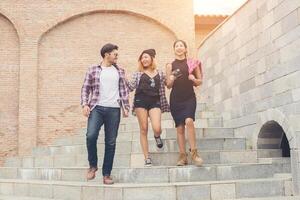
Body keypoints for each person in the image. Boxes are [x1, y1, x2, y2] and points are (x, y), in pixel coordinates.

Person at [80, 43, 130, 184]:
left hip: (114, 109)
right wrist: (85, 104)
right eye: (115, 54)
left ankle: (106, 174)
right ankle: (93, 165)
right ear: (107, 54)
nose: (117, 56)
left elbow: (124, 91)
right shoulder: (93, 70)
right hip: (97, 107)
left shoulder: (120, 71)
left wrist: (125, 106)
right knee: (91, 135)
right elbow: (85, 88)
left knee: (111, 142)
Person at [127, 49, 170, 167]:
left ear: (151, 58)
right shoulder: (138, 73)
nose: (144, 59)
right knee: (144, 129)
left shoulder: (159, 72)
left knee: (157, 127)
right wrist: (122, 78)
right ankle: (147, 158)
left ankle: (157, 136)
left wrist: (172, 73)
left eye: (146, 57)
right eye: (142, 58)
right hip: (140, 102)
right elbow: (130, 87)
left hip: (155, 101)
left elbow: (168, 83)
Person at [165, 40, 204, 166]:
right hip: (176, 99)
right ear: (174, 49)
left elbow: (199, 81)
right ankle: (182, 157)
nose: (179, 48)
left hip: (189, 98)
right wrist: (171, 79)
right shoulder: (170, 65)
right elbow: (168, 86)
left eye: (181, 46)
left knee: (189, 121)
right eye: (177, 46)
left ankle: (194, 153)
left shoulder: (192, 63)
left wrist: (194, 79)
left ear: (185, 49)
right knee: (180, 127)